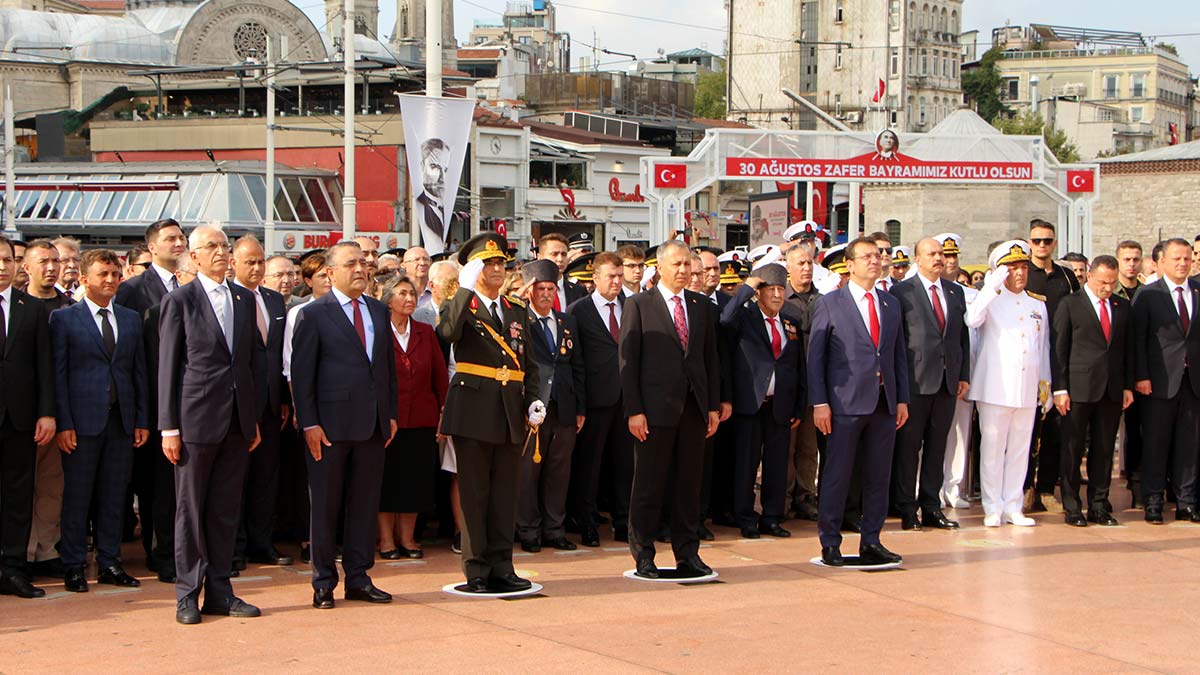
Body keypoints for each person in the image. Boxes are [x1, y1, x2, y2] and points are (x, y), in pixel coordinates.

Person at [158, 224, 263, 624]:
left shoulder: (243, 298)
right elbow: (168, 367)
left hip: (236, 420)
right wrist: (169, 427)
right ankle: (187, 592)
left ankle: (220, 590)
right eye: (211, 246)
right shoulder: (180, 300)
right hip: (195, 420)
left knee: (224, 509)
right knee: (190, 510)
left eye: (224, 245)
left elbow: (250, 363)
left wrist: (252, 419)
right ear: (194, 256)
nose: (220, 252)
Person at [292, 241, 399, 608]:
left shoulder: (378, 310)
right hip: (329, 428)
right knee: (325, 506)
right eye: (351, 263)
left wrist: (390, 414)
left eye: (364, 263)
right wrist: (309, 423)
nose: (360, 269)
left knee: (364, 505)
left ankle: (359, 577)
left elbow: (386, 369)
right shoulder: (313, 314)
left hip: (372, 425)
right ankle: (323, 581)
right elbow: (302, 376)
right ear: (330, 272)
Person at [437, 232, 544, 593]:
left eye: (501, 263)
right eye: (488, 263)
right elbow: (447, 332)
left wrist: (533, 400)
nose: (497, 269)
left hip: (510, 411)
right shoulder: (459, 304)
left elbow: (529, 363)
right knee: (474, 495)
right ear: (473, 269)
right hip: (473, 410)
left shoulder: (515, 309)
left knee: (503, 495)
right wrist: (464, 289)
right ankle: (476, 570)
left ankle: (502, 565)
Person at [620, 240, 720, 579]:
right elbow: (628, 362)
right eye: (676, 264)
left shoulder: (701, 305)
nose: (683, 270)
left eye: (687, 264)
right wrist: (634, 410)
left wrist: (712, 406)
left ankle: (687, 553)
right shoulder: (639, 305)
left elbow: (710, 359)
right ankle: (644, 553)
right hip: (653, 411)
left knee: (688, 486)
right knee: (648, 485)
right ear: (659, 267)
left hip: (693, 409)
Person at [50, 249, 149, 592]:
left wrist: (141, 419)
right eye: (102, 274)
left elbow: (138, 372)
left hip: (121, 422)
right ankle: (74, 565)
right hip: (81, 424)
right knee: (78, 496)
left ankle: (110, 562)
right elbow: (58, 375)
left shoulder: (131, 319)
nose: (110, 280)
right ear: (84, 278)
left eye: (115, 274)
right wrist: (64, 423)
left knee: (114, 495)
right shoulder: (64, 319)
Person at [808, 237, 908, 566]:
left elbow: (897, 355)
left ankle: (872, 540)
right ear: (849, 265)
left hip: (883, 402)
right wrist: (819, 402)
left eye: (878, 256)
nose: (875, 261)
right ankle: (830, 541)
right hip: (844, 403)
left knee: (878, 475)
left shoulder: (890, 303)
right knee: (838, 474)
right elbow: (816, 357)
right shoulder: (831, 303)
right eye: (867, 256)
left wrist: (901, 399)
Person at [116, 218, 188, 570]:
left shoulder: (192, 285)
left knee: (183, 484)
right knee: (156, 485)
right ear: (152, 247)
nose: (179, 243)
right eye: (170, 238)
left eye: (181, 237)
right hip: (153, 402)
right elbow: (129, 356)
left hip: (191, 400)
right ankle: (161, 554)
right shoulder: (132, 290)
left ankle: (186, 550)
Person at [966, 241, 1050, 528]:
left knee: (1019, 450)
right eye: (1012, 268)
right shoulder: (990, 299)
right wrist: (990, 287)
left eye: (1023, 267)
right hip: (995, 388)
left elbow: (1043, 347)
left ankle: (1013, 505)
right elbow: (971, 319)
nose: (1020, 273)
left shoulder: (1037, 303)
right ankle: (992, 506)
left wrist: (1045, 386)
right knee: (992, 450)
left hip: (1026, 388)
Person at [890, 238, 970, 531]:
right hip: (915, 382)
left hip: (947, 383)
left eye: (941, 253)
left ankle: (931, 506)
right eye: (932, 254)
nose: (938, 258)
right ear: (918, 259)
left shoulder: (955, 291)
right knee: (909, 449)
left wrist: (963, 374)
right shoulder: (902, 292)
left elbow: (961, 337)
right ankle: (906, 508)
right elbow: (897, 341)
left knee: (937, 448)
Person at [721, 263, 805, 538]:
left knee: (777, 465)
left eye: (781, 289)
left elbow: (798, 367)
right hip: (750, 404)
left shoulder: (790, 321)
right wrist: (746, 288)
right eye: (771, 290)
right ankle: (745, 517)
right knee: (746, 464)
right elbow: (725, 319)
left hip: (780, 405)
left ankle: (772, 517)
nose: (777, 295)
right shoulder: (745, 317)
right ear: (759, 292)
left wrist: (798, 405)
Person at [1051, 255, 1132, 527]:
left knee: (1104, 449)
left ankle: (1098, 505)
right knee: (1073, 449)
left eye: (1112, 283)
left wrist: (1127, 385)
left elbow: (1127, 350)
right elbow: (1060, 349)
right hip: (1078, 388)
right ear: (1089, 276)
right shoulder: (1070, 304)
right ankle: (1072, 506)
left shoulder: (1121, 306)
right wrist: (1060, 388)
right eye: (1102, 282)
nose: (1107, 288)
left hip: (1111, 389)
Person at [229, 236, 293, 569]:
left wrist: (282, 398)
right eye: (249, 262)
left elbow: (279, 354)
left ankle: (261, 543)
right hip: (238, 404)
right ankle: (234, 548)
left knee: (266, 478)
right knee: (236, 479)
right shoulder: (228, 297)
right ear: (234, 263)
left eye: (260, 262)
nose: (256, 268)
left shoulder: (274, 299)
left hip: (271, 405)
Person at [0, 235, 56, 599]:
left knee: (18, 496)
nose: (1, 266)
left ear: (16, 265)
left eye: (6, 259)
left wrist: (47, 413)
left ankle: (13, 569)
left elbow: (44, 365)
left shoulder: (31, 308)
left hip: (20, 418)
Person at [377, 275, 447, 559]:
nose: (409, 299)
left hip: (421, 418)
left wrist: (443, 410)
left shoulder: (425, 332)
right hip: (388, 420)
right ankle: (386, 540)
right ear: (388, 300)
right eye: (402, 293)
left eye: (412, 294)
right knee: (386, 482)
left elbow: (440, 375)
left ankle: (407, 539)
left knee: (414, 481)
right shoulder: (377, 331)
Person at [517, 259, 585, 553]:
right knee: (528, 471)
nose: (546, 294)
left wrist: (580, 408)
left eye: (550, 288)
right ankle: (528, 530)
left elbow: (578, 365)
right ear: (530, 291)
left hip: (564, 405)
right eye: (540, 288)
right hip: (533, 406)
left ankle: (554, 529)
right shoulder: (520, 320)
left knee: (559, 470)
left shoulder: (566, 321)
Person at [1131, 238, 1200, 524]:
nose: (1183, 263)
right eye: (1176, 258)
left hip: (1193, 382)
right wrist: (1141, 375)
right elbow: (1138, 339)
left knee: (1190, 446)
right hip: (1158, 382)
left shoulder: (1197, 290)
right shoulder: (1148, 295)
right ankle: (1153, 502)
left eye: (1187, 258)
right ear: (1161, 262)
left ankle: (1186, 502)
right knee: (1156, 444)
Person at [567, 252, 633, 545]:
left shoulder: (631, 306)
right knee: (589, 465)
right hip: (594, 400)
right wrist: (580, 405)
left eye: (619, 276)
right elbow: (576, 362)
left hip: (627, 399)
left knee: (625, 464)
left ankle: (623, 522)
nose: (616, 282)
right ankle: (587, 523)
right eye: (611, 276)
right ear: (595, 278)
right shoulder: (578, 311)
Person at [19, 240, 70, 578]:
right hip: (21, 411)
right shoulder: (15, 305)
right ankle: (19, 551)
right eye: (43, 262)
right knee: (18, 485)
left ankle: (46, 549)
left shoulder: (70, 308)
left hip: (60, 413)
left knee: (52, 483)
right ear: (26, 267)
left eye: (55, 261)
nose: (51, 268)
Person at [1024, 219, 1081, 514]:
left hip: (1060, 358)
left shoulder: (1066, 276)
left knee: (1056, 428)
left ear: (1055, 243)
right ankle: (1025, 488)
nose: (1042, 246)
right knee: (1028, 428)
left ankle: (1046, 489)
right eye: (1037, 241)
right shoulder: (1023, 273)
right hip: (1030, 357)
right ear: (1029, 243)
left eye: (1047, 241)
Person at [279, 253, 331, 564]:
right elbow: (291, 366)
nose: (328, 280)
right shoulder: (299, 313)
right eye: (321, 275)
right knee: (311, 477)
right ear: (308, 281)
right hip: (310, 405)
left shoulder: (353, 309)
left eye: (330, 273)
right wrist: (300, 407)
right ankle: (309, 538)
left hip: (342, 407)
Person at [933, 232, 978, 510]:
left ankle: (953, 487)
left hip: (960, 373)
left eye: (953, 256)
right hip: (931, 376)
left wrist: (966, 374)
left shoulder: (968, 294)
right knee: (932, 436)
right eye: (944, 255)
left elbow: (969, 338)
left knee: (960, 432)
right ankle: (930, 488)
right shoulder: (919, 290)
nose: (949, 261)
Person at [783, 241, 821, 521]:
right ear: (788, 268)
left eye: (809, 263)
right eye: (800, 263)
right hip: (789, 386)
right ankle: (782, 497)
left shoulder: (824, 300)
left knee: (809, 447)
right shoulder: (780, 299)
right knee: (786, 447)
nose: (806, 268)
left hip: (815, 384)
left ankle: (806, 495)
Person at [1113, 240, 1145, 504]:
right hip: (1112, 371)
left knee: (1138, 431)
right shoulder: (1108, 291)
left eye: (1136, 259)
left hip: (1139, 372)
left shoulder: (1149, 293)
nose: (1131, 264)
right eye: (1126, 259)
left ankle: (1137, 486)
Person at [537, 233, 587, 311]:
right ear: (540, 257)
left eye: (564, 254)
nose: (560, 259)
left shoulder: (579, 291)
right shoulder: (531, 290)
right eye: (554, 254)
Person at [416, 138, 451, 245]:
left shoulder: (446, 208)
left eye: (445, 169)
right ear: (422, 166)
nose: (441, 177)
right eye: (434, 167)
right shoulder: (420, 204)